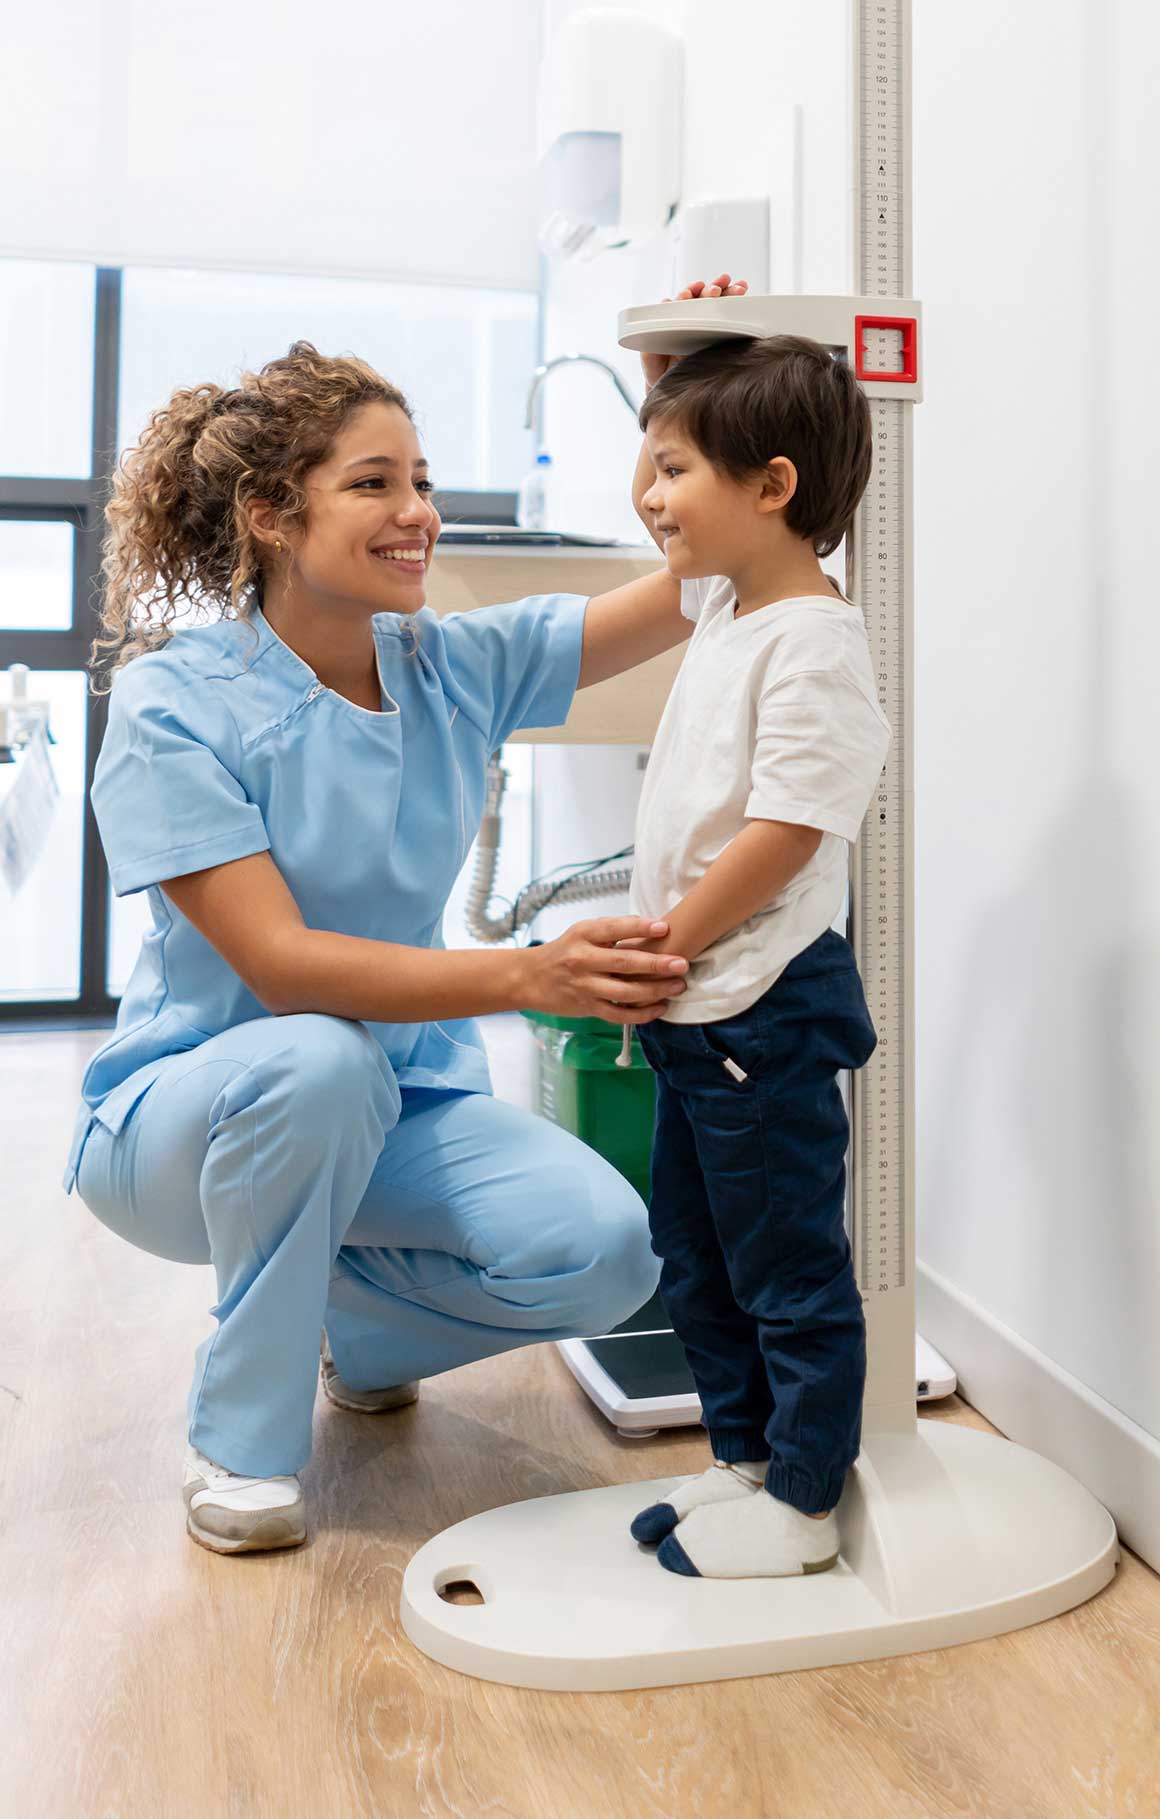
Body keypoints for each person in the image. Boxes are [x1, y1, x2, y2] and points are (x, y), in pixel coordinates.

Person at [64, 336, 699, 1556]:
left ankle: (345, 1327)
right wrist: (528, 973)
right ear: (266, 512)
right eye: (373, 483)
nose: (418, 514)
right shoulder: (173, 705)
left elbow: (691, 581)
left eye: (422, 480)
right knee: (319, 1057)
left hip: (400, 1106)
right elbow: (285, 968)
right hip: (183, 1121)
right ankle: (243, 1447)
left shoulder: (454, 665)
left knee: (607, 1250)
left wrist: (689, 389)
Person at [623, 288, 892, 1578]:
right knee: (696, 1251)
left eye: (670, 469)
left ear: (772, 484)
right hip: (695, 1000)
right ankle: (741, 1460)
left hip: (757, 1002)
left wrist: (664, 940)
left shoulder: (813, 642)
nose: (646, 493)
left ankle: (799, 1500)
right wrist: (685, 337)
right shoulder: (728, 607)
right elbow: (692, 404)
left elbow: (788, 826)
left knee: (784, 1261)